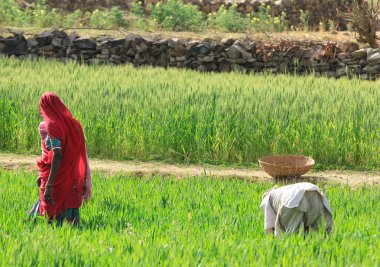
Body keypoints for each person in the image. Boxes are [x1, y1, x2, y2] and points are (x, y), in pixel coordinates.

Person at [36, 92, 91, 226]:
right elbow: (80, 153)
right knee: (71, 210)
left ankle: (57, 237)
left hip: (58, 175)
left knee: (53, 213)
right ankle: (73, 234)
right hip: (72, 175)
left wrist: (49, 184)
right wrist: (84, 179)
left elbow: (58, 154)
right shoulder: (74, 125)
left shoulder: (53, 125)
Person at [260, 182, 333, 237]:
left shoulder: (266, 199)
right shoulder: (283, 190)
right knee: (322, 235)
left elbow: (269, 228)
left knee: (289, 236)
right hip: (315, 193)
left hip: (293, 200)